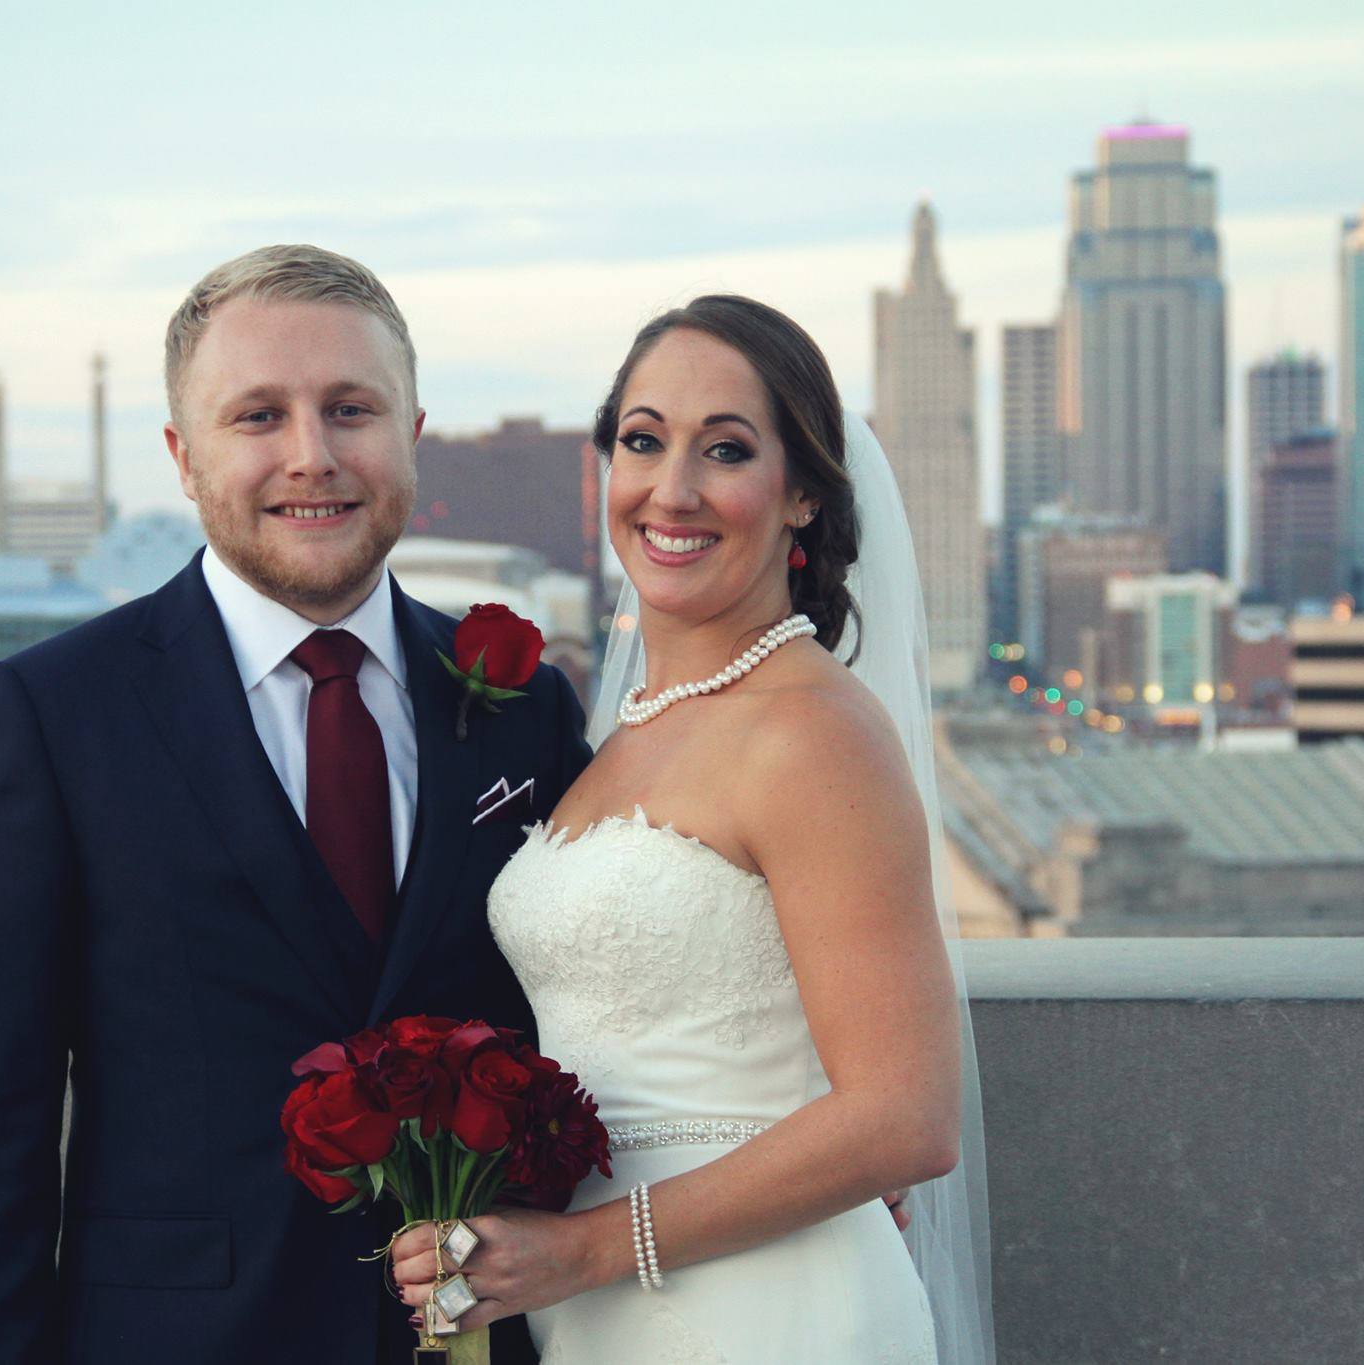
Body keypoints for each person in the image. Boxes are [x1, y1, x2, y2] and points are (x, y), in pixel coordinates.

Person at [0, 244, 590, 1363]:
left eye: (351, 409)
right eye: (258, 416)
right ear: (184, 459)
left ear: (412, 436)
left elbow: (606, 1022)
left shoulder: (525, 708)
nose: (311, 455)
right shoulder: (52, 715)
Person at [391, 296, 995, 1363]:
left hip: (772, 1311)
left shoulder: (813, 732)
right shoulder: (621, 733)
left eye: (725, 450)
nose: (671, 490)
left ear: (802, 493)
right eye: (642, 441)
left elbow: (906, 1117)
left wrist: (583, 1250)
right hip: (600, 1314)